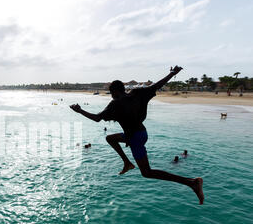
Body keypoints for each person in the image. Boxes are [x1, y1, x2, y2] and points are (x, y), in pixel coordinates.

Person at [70, 66, 204, 204]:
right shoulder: (136, 94)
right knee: (110, 138)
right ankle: (127, 163)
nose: (111, 96)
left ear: (114, 92)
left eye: (111, 93)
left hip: (135, 138)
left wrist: (80, 111)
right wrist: (172, 73)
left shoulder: (115, 104)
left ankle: (192, 183)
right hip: (140, 133)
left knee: (147, 173)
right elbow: (157, 85)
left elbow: (97, 118)